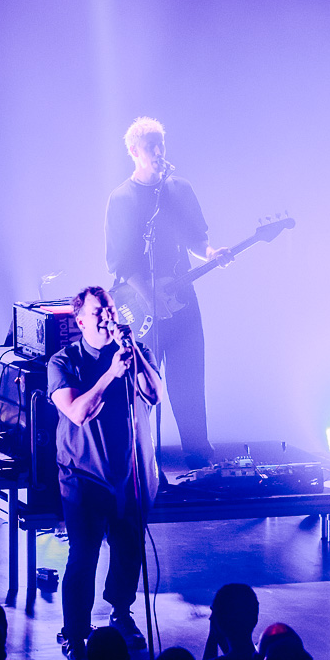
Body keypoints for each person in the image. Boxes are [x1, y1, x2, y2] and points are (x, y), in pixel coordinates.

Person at [48, 285, 163, 660]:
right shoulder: (64, 361)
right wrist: (111, 375)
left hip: (131, 472)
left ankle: (121, 612)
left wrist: (133, 358)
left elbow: (154, 394)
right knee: (83, 555)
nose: (107, 317)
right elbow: (78, 412)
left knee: (129, 548)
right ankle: (75, 636)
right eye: (98, 312)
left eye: (110, 310)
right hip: (84, 475)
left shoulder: (135, 352)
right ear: (81, 321)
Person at [105, 117, 231, 468]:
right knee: (140, 386)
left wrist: (211, 254)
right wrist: (149, 297)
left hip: (182, 300)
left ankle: (200, 460)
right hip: (140, 307)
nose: (159, 152)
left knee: (189, 382)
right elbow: (121, 262)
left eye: (161, 144)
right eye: (151, 147)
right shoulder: (122, 198)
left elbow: (196, 239)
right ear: (134, 151)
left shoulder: (180, 189)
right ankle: (135, 464)